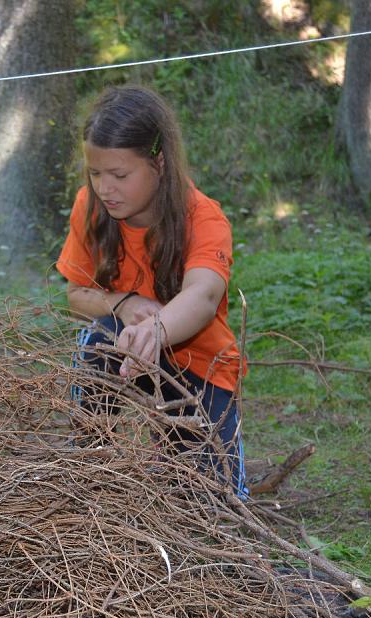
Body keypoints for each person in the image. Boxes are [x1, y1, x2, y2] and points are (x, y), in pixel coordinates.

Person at [56, 85, 248, 498]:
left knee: (219, 502)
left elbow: (203, 296)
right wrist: (124, 304)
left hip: (201, 367)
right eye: (95, 173)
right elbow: (75, 294)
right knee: (97, 339)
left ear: (158, 163)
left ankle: (174, 455)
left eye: (119, 175)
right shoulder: (90, 207)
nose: (105, 188)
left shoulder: (203, 218)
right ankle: (88, 464)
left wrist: (156, 328)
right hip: (126, 357)